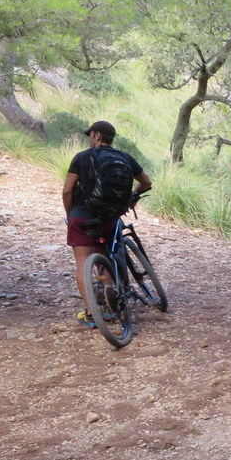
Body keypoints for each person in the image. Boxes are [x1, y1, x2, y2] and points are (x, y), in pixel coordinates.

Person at [63, 121, 151, 328]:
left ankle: (91, 313)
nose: (90, 139)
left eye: (91, 135)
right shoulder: (125, 158)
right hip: (110, 218)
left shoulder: (82, 157)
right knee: (105, 260)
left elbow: (67, 190)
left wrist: (70, 215)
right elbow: (146, 183)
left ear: (97, 135)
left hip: (83, 216)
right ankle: (111, 311)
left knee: (83, 263)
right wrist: (132, 196)